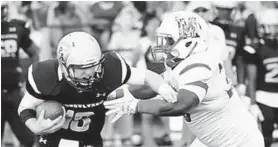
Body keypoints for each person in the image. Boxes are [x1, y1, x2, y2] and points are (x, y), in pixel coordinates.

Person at [104, 11, 264, 147]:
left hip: (237, 142)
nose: (162, 45)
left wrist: (135, 106)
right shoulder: (184, 61)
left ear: (189, 42)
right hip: (212, 140)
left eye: (168, 41)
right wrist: (118, 94)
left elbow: (181, 104)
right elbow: (156, 85)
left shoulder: (200, 64)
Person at [17, 31, 177, 147]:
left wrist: (163, 88)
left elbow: (147, 76)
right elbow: (25, 108)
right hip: (53, 141)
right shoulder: (46, 76)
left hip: (90, 140)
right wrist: (35, 127)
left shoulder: (110, 68)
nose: (90, 73)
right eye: (82, 68)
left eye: (94, 66)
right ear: (64, 66)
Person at [1, 2, 39, 147]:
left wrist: (27, 77)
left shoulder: (16, 28)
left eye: (3, 8)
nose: (2, 11)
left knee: (28, 139)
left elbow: (34, 53)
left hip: (14, 92)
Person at [245, 8, 278, 147]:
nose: (270, 31)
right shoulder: (255, 48)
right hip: (264, 97)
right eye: (266, 27)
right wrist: (252, 103)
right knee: (266, 137)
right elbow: (251, 78)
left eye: (273, 27)